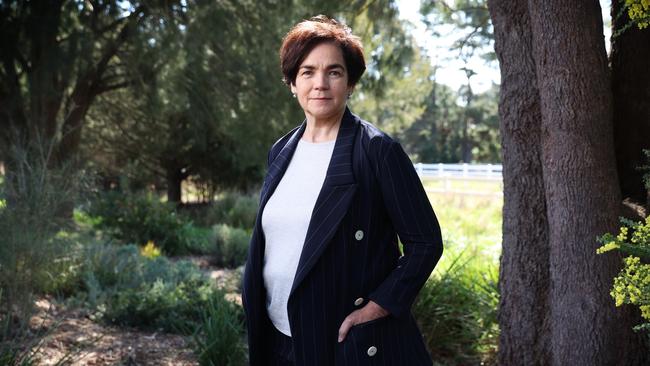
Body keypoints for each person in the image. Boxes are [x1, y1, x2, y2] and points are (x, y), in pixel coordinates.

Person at [242, 15, 444, 366]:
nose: (320, 83)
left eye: (333, 72)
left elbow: (425, 243)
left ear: (349, 83)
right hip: (277, 337)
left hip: (342, 341)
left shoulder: (377, 151)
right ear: (292, 82)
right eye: (307, 72)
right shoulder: (281, 150)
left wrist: (378, 306)